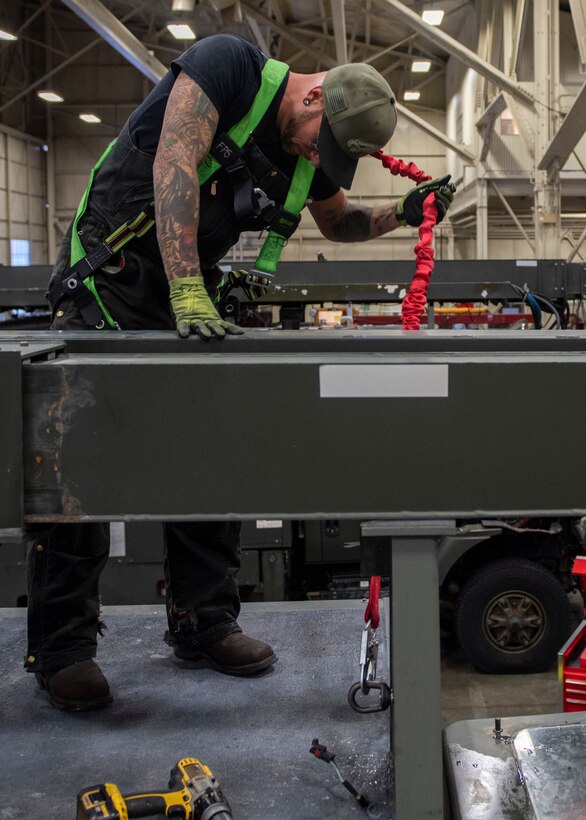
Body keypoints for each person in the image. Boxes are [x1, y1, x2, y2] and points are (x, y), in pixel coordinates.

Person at [26, 33, 455, 711]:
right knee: (82, 469)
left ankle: (204, 624)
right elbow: (175, 159)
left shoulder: (309, 152)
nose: (317, 159)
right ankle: (63, 650)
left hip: (187, 302)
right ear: (314, 97)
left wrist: (399, 214)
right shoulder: (228, 66)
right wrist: (186, 287)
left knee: (207, 459)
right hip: (110, 284)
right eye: (320, 144)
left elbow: (338, 223)